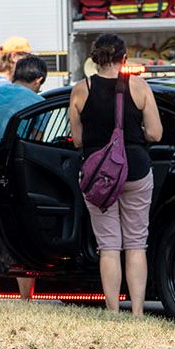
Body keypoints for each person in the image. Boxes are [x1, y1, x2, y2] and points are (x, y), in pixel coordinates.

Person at [70, 34, 163, 315]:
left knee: (108, 246)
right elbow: (156, 133)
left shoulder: (81, 89)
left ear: (94, 59)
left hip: (99, 176)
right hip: (135, 169)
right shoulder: (139, 86)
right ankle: (136, 313)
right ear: (124, 59)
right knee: (136, 243)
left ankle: (113, 313)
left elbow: (77, 140)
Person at [0, 53, 48, 300]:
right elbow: (35, 144)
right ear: (39, 79)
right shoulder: (36, 102)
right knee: (20, 237)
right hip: (8, 176)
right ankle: (25, 300)